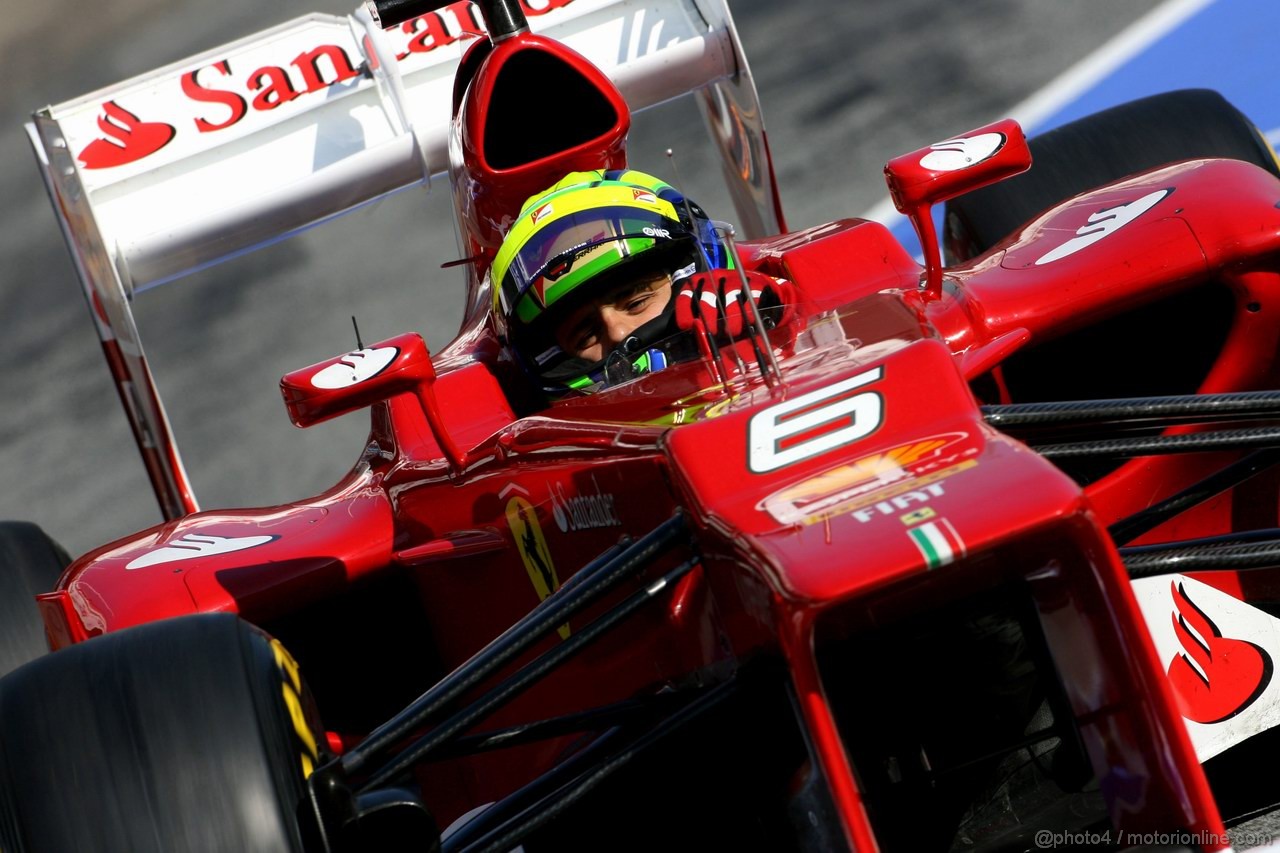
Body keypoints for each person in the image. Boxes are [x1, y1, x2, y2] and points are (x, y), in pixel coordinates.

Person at [490, 169, 796, 396]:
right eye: (585, 336)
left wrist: (779, 316)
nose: (619, 332)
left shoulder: (768, 303)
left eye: (636, 303)